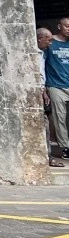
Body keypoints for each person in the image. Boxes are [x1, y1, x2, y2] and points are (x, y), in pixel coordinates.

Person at [45, 18, 69, 165]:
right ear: (59, 26)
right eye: (67, 26)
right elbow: (42, 62)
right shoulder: (50, 42)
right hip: (56, 85)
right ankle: (66, 147)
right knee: (60, 117)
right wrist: (44, 87)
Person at [40, 27, 62, 166]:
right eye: (48, 40)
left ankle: (48, 155)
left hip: (43, 91)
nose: (50, 43)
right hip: (39, 92)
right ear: (39, 39)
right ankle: (47, 155)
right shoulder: (35, 54)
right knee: (45, 125)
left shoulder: (42, 53)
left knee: (47, 124)